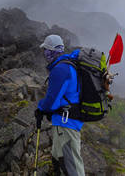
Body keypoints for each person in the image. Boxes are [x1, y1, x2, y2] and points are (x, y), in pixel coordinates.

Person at [35, 34, 85, 176]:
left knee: (70, 167)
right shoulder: (68, 66)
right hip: (67, 122)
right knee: (61, 164)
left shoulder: (60, 69)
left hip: (66, 124)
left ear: (51, 50)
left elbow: (52, 101)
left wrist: (40, 109)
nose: (44, 53)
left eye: (45, 50)